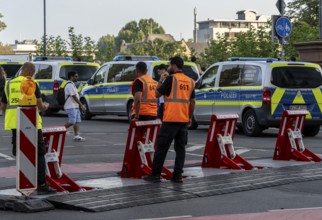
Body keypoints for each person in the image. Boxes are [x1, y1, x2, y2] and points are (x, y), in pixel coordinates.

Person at [1, 62, 57, 194]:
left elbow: (3, 105)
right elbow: (39, 104)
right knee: (39, 152)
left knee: (20, 150)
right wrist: (46, 106)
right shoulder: (31, 82)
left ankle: (25, 180)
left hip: (14, 121)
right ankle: (42, 184)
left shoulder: (9, 83)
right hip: (30, 123)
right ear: (31, 72)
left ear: (21, 71)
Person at [144, 56, 196, 183]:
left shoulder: (171, 79)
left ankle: (155, 174)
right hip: (183, 120)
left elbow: (156, 94)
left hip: (171, 119)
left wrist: (161, 80)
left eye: (169, 65)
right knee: (180, 149)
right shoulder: (190, 81)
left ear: (174, 66)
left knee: (161, 147)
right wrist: (189, 117)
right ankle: (177, 176)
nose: (168, 67)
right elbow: (193, 102)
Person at [64, 71, 86, 141]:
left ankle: (76, 135)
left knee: (77, 121)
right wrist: (81, 105)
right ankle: (60, 129)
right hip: (70, 106)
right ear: (71, 76)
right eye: (76, 76)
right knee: (72, 121)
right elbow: (73, 96)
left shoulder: (72, 85)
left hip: (75, 106)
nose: (77, 78)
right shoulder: (69, 85)